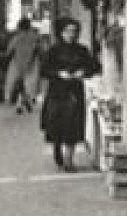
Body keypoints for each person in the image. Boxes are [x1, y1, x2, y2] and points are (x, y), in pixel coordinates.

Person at [41, 17, 99, 169]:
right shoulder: (53, 51)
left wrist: (84, 72)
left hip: (74, 92)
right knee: (56, 125)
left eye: (74, 31)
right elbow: (44, 70)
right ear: (61, 32)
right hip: (56, 92)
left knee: (72, 126)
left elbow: (95, 67)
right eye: (68, 31)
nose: (71, 34)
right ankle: (57, 149)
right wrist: (59, 74)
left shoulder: (82, 50)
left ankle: (69, 160)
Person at [4, 18, 43, 114]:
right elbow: (41, 50)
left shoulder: (16, 37)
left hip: (17, 64)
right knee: (28, 85)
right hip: (32, 64)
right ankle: (24, 102)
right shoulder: (35, 37)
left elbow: (9, 50)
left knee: (18, 84)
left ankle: (20, 104)